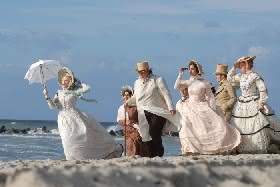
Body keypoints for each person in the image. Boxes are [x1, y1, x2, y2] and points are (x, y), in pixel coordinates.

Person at [43, 67, 123, 160]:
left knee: (84, 136)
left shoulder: (74, 90)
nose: (63, 82)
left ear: (70, 81)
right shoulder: (58, 93)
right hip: (63, 119)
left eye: (66, 80)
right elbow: (53, 106)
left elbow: (87, 88)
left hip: (75, 116)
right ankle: (70, 158)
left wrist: (79, 81)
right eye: (62, 80)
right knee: (66, 140)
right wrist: (47, 96)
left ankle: (92, 155)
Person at [174, 60, 241, 155]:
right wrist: (180, 74)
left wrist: (213, 111)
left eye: (192, 69)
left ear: (197, 70)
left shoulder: (204, 83)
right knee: (187, 128)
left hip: (202, 106)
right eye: (189, 69)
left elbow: (210, 98)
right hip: (190, 107)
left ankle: (206, 149)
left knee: (205, 130)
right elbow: (176, 87)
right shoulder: (188, 82)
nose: (190, 71)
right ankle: (190, 149)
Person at [125, 61, 180, 157]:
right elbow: (136, 97)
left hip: (157, 111)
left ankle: (159, 153)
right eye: (139, 72)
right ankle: (152, 155)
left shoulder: (158, 80)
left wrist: (171, 107)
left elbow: (166, 94)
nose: (141, 73)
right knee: (145, 137)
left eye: (143, 71)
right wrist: (128, 102)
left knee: (154, 132)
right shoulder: (137, 82)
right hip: (142, 112)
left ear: (148, 71)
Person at [228, 56, 280, 153]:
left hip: (253, 101)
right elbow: (230, 79)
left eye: (242, 65)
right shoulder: (240, 77)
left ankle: (258, 147)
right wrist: (234, 68)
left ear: (248, 64)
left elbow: (262, 89)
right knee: (241, 124)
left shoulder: (254, 76)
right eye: (240, 65)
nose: (241, 67)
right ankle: (242, 147)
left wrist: (261, 102)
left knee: (256, 124)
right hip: (242, 103)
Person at [117, 85, 149, 157]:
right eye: (124, 95)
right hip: (127, 130)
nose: (126, 97)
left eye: (128, 95)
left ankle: (136, 157)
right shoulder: (121, 108)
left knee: (136, 142)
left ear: (131, 95)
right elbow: (119, 119)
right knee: (130, 144)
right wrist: (125, 122)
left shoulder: (137, 106)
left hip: (137, 128)